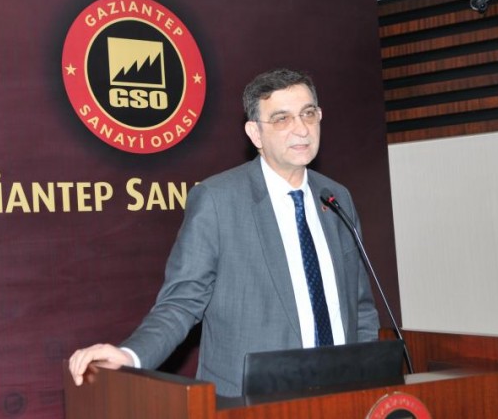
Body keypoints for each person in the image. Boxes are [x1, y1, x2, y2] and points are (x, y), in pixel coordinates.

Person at [68, 68, 379, 397]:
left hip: (342, 395)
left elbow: (359, 305)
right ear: (255, 133)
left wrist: (367, 376)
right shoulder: (218, 200)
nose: (301, 129)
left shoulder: (336, 198)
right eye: (282, 119)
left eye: (308, 114)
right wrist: (131, 355)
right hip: (252, 401)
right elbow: (182, 302)